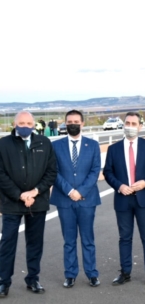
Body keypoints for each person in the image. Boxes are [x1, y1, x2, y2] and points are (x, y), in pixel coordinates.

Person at [0, 111, 57, 297]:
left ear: (34, 124)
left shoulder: (44, 143)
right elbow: (1, 175)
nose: (25, 125)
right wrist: (19, 194)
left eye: (28, 122)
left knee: (35, 243)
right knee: (7, 243)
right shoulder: (3, 144)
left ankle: (33, 279)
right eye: (21, 122)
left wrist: (35, 192)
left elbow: (51, 172)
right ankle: (3, 282)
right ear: (14, 124)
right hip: (11, 203)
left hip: (37, 202)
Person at [103, 111, 145, 286]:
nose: (130, 127)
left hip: (144, 199)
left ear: (140, 127)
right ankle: (125, 272)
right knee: (125, 238)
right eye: (127, 123)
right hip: (123, 199)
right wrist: (119, 186)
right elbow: (107, 172)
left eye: (134, 124)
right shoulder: (113, 149)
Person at [50, 109, 102, 288]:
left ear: (82, 123)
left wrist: (80, 191)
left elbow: (95, 171)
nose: (73, 124)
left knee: (88, 239)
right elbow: (53, 172)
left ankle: (92, 274)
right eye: (69, 121)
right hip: (64, 200)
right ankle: (70, 274)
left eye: (76, 121)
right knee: (69, 240)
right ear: (65, 123)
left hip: (87, 199)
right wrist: (69, 191)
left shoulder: (93, 145)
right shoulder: (56, 146)